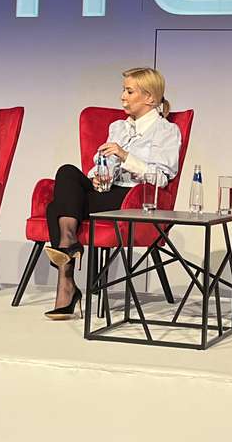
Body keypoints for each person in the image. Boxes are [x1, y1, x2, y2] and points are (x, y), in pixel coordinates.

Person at [42, 67, 181, 321]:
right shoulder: (118, 127)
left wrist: (125, 156)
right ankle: (68, 246)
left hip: (133, 200)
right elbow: (101, 163)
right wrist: (98, 174)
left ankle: (66, 282)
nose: (122, 97)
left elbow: (161, 179)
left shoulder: (167, 131)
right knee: (67, 172)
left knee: (56, 208)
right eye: (123, 90)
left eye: (129, 91)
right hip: (106, 192)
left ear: (150, 97)